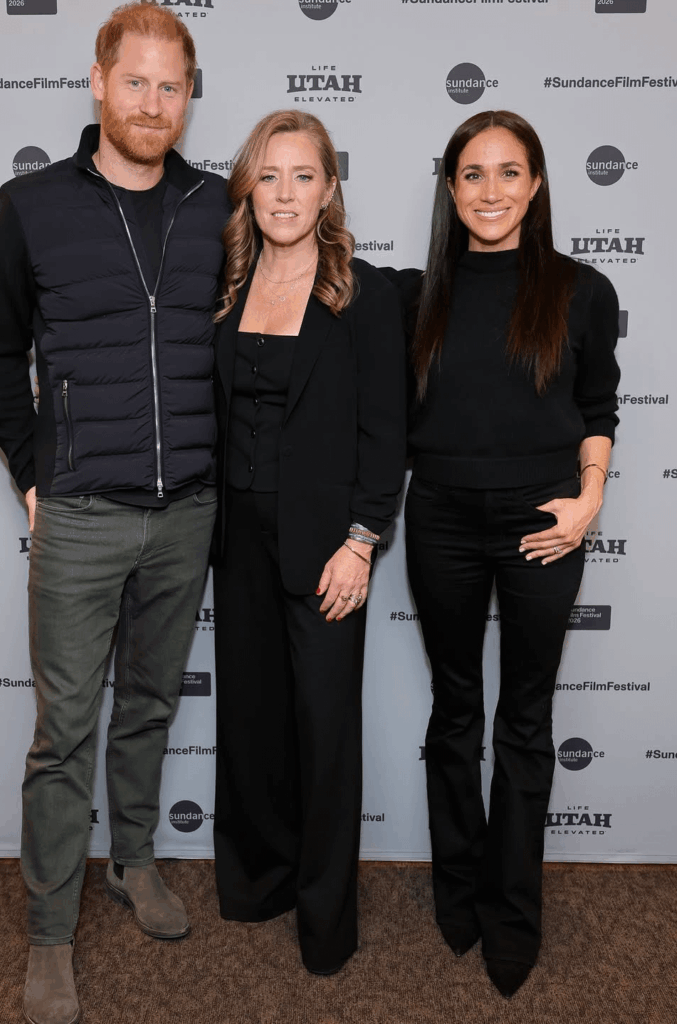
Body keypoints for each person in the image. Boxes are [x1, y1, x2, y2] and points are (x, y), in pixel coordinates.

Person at [0, 4, 230, 1022]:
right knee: (64, 729)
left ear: (187, 95)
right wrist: (32, 469)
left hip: (188, 511)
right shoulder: (30, 203)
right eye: (137, 82)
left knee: (152, 705)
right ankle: (48, 929)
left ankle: (131, 858)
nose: (154, 103)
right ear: (97, 81)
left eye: (172, 86)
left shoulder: (219, 203)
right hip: (79, 512)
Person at [389, 110, 620, 997]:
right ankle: (458, 892)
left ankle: (511, 915)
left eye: (508, 172)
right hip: (440, 516)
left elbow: (597, 407)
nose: (490, 191)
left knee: (523, 723)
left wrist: (587, 501)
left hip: (545, 523)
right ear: (450, 189)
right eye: (472, 174)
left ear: (536, 184)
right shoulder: (415, 298)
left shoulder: (578, 289)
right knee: (454, 713)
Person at [211, 110, 406, 975]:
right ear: (247, 189)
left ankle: (326, 923)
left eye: (303, 176)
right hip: (235, 542)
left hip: (326, 545)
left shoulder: (363, 295)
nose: (284, 194)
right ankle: (259, 885)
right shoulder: (224, 286)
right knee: (252, 723)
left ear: (328, 189)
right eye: (268, 176)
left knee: (324, 733)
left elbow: (385, 434)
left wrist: (361, 541)